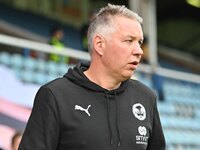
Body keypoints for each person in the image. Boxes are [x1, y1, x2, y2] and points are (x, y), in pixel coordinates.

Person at [19, 3, 166, 150]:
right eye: (129, 40)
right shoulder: (55, 96)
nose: (139, 51)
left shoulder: (146, 97)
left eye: (139, 42)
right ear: (99, 44)